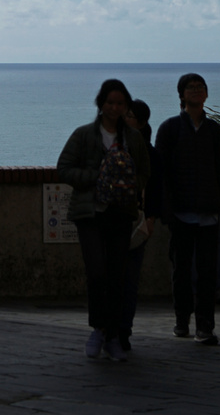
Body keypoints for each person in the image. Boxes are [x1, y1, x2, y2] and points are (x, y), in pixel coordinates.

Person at [56, 79, 150, 362]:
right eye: (110, 102)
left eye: (120, 103)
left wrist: (128, 188)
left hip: (120, 214)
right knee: (97, 272)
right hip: (90, 214)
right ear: (101, 104)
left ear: (126, 106)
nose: (115, 107)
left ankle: (111, 336)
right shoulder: (84, 135)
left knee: (116, 275)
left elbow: (145, 172)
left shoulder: (133, 138)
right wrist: (96, 178)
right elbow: (64, 168)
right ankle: (98, 329)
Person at [155, 72, 220, 346]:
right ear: (182, 95)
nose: (197, 91)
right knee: (182, 271)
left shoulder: (213, 130)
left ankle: (205, 327)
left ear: (207, 94)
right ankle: (181, 320)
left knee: (208, 273)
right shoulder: (170, 129)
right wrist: (165, 210)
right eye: (191, 87)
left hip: (210, 214)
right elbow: (160, 174)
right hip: (181, 214)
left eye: (201, 87)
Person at [119, 98, 163, 352]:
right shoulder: (111, 147)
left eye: (130, 116)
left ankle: (123, 330)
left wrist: (151, 217)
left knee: (130, 279)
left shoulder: (150, 154)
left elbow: (156, 189)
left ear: (142, 122)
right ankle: (108, 329)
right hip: (111, 220)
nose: (124, 120)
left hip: (136, 221)